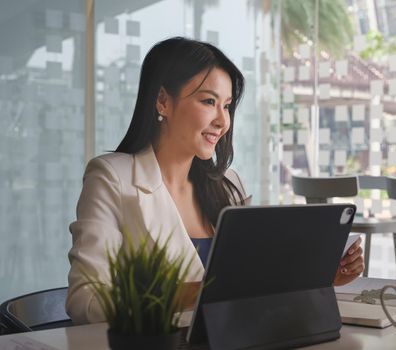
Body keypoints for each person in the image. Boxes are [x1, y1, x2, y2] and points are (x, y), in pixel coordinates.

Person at [66, 37, 364, 324]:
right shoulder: (111, 177)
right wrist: (191, 293)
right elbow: (86, 301)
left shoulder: (228, 185)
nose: (223, 121)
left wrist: (319, 277)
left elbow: (254, 289)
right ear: (162, 101)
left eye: (227, 105)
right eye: (209, 101)